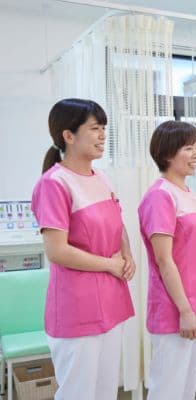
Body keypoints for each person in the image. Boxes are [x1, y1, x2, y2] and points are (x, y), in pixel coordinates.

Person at [31, 98, 135, 399]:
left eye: (104, 128)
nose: (103, 135)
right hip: (77, 307)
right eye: (94, 128)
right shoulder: (54, 183)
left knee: (105, 391)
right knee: (78, 392)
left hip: (111, 299)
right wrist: (110, 264)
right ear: (69, 135)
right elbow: (57, 251)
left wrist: (126, 253)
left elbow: (117, 222)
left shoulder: (101, 178)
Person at [138, 121, 196, 400]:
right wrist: (184, 309)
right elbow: (164, 260)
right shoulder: (161, 195)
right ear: (168, 154)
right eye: (188, 148)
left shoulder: (188, 194)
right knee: (168, 389)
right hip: (175, 308)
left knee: (185, 389)